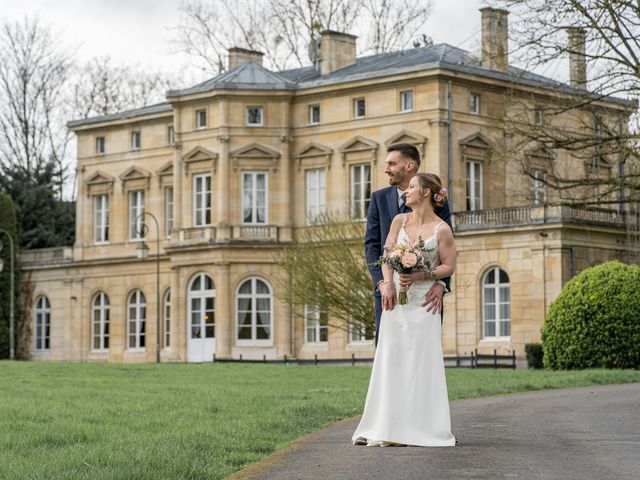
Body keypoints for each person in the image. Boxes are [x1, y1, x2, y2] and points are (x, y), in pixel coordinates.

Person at [352, 173, 457, 447]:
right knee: (391, 360)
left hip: (424, 303)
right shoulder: (399, 221)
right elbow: (387, 255)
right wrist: (386, 283)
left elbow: (448, 266)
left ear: (426, 193)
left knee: (421, 363)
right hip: (395, 302)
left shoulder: (442, 229)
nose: (406, 191)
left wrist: (426, 277)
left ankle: (421, 426)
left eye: (411, 187)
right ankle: (384, 425)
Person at [364, 143, 452, 345]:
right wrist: (383, 284)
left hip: (427, 294)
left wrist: (441, 285)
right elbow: (372, 246)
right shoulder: (379, 198)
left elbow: (446, 249)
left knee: (423, 353)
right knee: (388, 353)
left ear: (409, 165)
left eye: (392, 163)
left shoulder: (438, 201)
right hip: (388, 292)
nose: (386, 169)